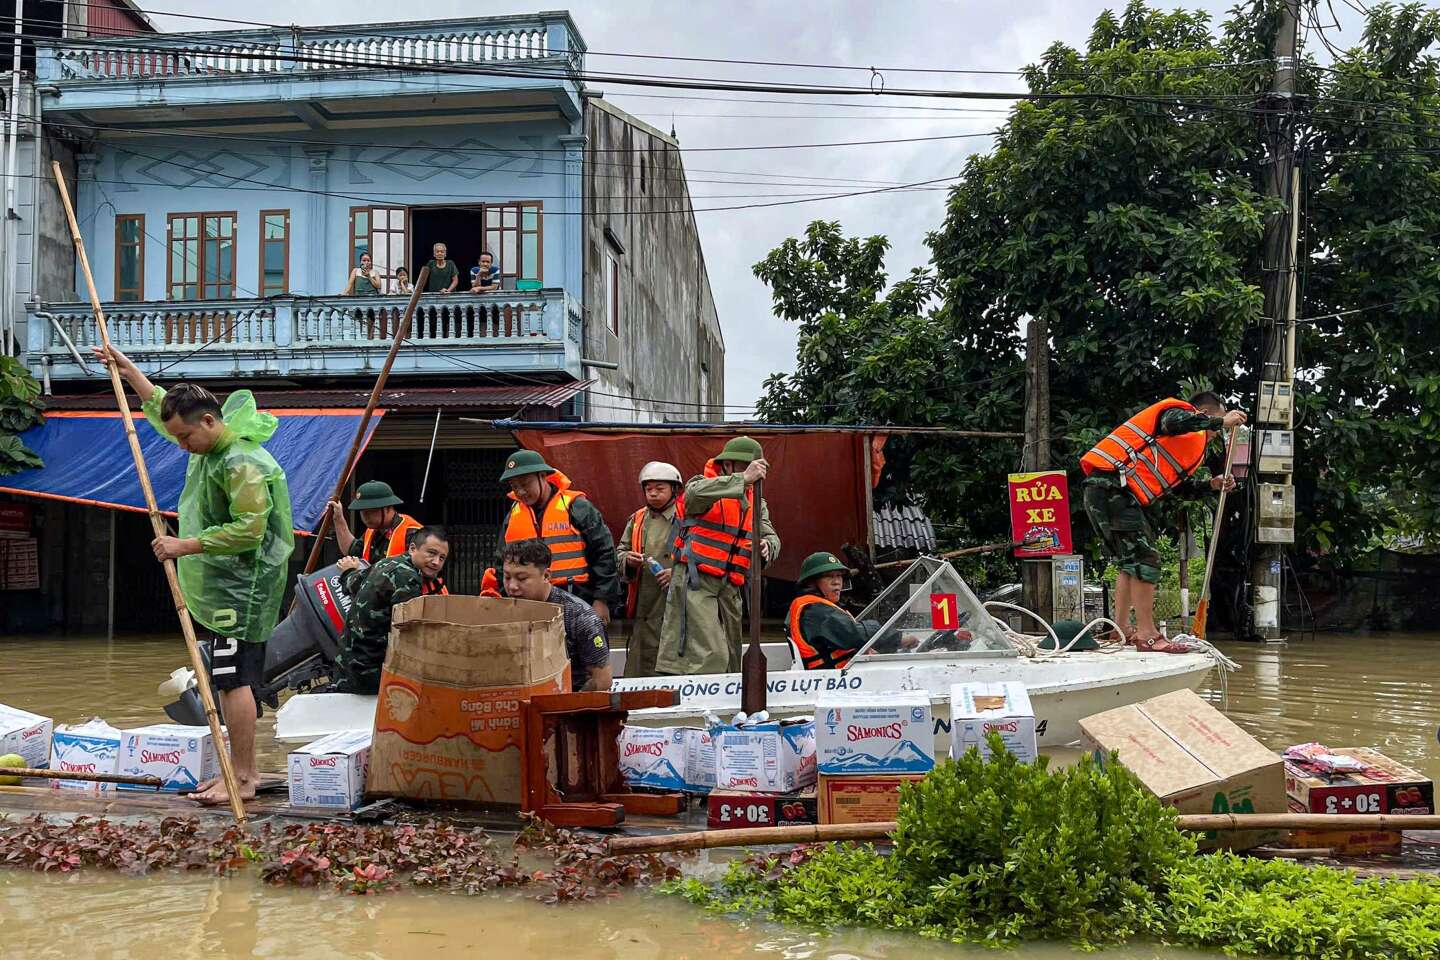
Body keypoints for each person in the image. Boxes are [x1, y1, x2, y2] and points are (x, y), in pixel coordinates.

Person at [91, 345, 293, 806]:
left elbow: (249, 528)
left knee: (232, 680)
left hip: (243, 588)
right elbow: (164, 415)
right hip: (226, 583)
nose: (179, 445)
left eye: (185, 437)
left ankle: (242, 777)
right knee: (227, 678)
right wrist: (129, 373)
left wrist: (184, 544)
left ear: (208, 421)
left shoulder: (240, 462)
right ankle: (242, 771)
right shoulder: (209, 447)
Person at [1080, 391, 1246, 652]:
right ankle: (1148, 634)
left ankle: (1120, 629)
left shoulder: (1187, 447)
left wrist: (1211, 485)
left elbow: (1175, 488)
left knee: (1130, 561)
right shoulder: (1178, 416)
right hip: (1114, 486)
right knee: (1146, 559)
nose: (1219, 432)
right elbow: (1174, 421)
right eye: (1218, 422)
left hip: (1112, 490)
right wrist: (1219, 422)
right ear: (1204, 415)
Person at [653, 436, 780, 676]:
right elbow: (692, 495)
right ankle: (702, 706)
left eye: (754, 468)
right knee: (710, 653)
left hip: (730, 586)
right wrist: (741, 479)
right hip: (696, 580)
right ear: (727, 465)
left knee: (732, 653)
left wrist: (767, 545)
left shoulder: (757, 503)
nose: (752, 473)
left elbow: (772, 535)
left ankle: (729, 704)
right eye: (744, 467)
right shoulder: (703, 485)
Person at [495, 449, 619, 624]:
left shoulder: (577, 507)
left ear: (543, 476)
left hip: (578, 599)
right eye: (514, 487)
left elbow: (604, 553)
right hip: (530, 606)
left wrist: (602, 600)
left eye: (525, 484)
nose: (520, 492)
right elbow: (501, 562)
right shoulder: (513, 515)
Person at [333, 526, 449, 694]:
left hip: (345, 664)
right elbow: (410, 637)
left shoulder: (387, 562)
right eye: (431, 553)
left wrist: (349, 570)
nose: (436, 562)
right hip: (368, 674)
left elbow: (352, 583)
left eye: (442, 558)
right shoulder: (408, 578)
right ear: (412, 548)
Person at [502, 538, 613, 692]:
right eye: (507, 577)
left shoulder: (580, 616)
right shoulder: (501, 611)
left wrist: (567, 706)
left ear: (546, 576)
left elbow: (602, 679)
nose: (512, 587)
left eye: (522, 578)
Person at [617, 461, 682, 678]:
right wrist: (628, 560)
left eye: (660, 488)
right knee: (641, 662)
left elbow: (702, 557)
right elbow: (620, 551)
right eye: (648, 489)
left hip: (678, 604)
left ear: (674, 489)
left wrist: (678, 573)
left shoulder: (687, 519)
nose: (653, 494)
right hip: (644, 604)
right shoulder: (637, 519)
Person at [786, 552, 878, 671]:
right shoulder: (815, 611)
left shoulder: (821, 606)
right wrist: (898, 637)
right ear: (811, 583)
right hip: (832, 681)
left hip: (844, 677)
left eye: (839, 576)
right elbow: (853, 634)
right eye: (829, 576)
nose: (837, 582)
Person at [327, 481, 421, 567]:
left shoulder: (413, 533)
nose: (365, 516)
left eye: (371, 511)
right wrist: (338, 518)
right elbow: (351, 550)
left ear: (387, 508)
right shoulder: (372, 530)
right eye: (362, 511)